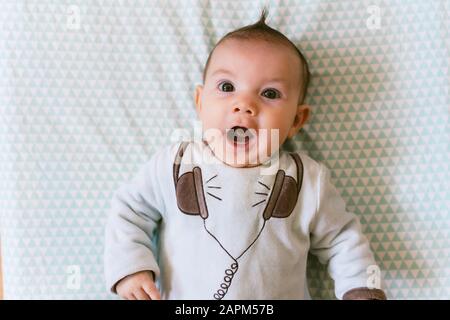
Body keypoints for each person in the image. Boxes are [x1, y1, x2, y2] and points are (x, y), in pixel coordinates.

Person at [104, 9, 386, 300]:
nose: (244, 104)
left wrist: (361, 287)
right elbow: (129, 210)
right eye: (227, 87)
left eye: (270, 93)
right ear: (200, 102)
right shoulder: (176, 165)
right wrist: (130, 269)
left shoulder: (305, 181)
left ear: (296, 121)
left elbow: (342, 239)